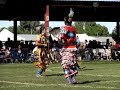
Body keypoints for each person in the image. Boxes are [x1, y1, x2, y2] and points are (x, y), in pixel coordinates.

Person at [59, 8, 79, 84]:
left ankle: (69, 79)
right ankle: (73, 78)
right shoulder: (74, 28)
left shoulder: (63, 28)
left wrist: (62, 41)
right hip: (73, 48)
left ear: (65, 20)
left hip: (67, 48)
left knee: (66, 64)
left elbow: (62, 38)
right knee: (72, 63)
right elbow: (74, 38)